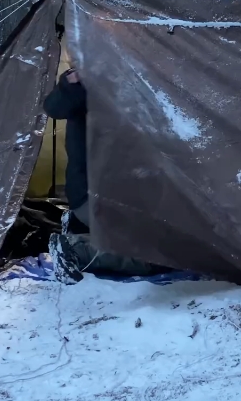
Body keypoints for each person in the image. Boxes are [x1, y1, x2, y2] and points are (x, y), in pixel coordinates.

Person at [42, 68, 167, 283]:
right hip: (95, 198)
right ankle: (76, 250)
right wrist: (71, 82)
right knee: (155, 256)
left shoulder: (135, 85)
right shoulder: (88, 83)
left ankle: (82, 228)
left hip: (116, 198)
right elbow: (54, 107)